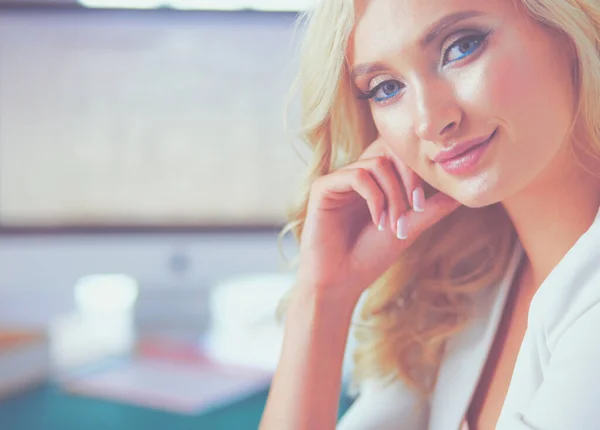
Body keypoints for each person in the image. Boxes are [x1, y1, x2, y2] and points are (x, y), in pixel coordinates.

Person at [259, 0, 600, 428]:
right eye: (386, 87)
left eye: (461, 47)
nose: (428, 121)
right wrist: (324, 294)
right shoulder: (468, 279)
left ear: (567, 26)